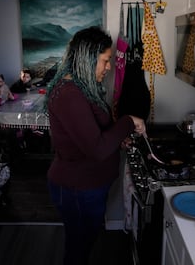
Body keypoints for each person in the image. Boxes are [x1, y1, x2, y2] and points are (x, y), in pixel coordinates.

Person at [44, 26, 146, 265]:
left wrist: (116, 139)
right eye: (105, 61)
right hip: (77, 189)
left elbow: (94, 134)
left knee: (84, 244)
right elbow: (97, 149)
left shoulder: (81, 88)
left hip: (86, 188)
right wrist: (129, 121)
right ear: (88, 59)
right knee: (78, 250)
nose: (108, 67)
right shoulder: (69, 94)